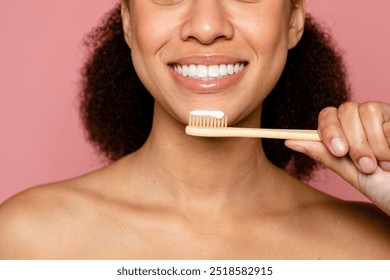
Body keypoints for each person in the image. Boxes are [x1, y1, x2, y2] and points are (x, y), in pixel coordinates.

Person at [0, 0, 389, 259]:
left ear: (293, 20)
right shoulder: (25, 241)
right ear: (129, 21)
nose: (205, 28)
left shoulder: (374, 248)